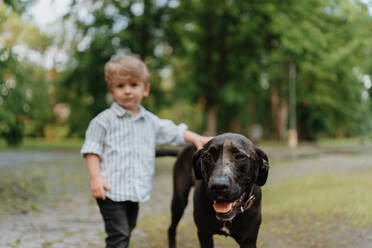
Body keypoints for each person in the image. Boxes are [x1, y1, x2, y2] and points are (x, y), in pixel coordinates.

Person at [80, 55, 211, 248]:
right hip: (110, 190)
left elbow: (173, 131)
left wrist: (196, 139)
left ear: (145, 89)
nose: (127, 91)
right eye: (120, 86)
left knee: (128, 227)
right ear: (111, 90)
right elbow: (92, 150)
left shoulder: (150, 121)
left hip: (135, 190)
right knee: (119, 234)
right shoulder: (103, 121)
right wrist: (96, 178)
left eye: (134, 85)